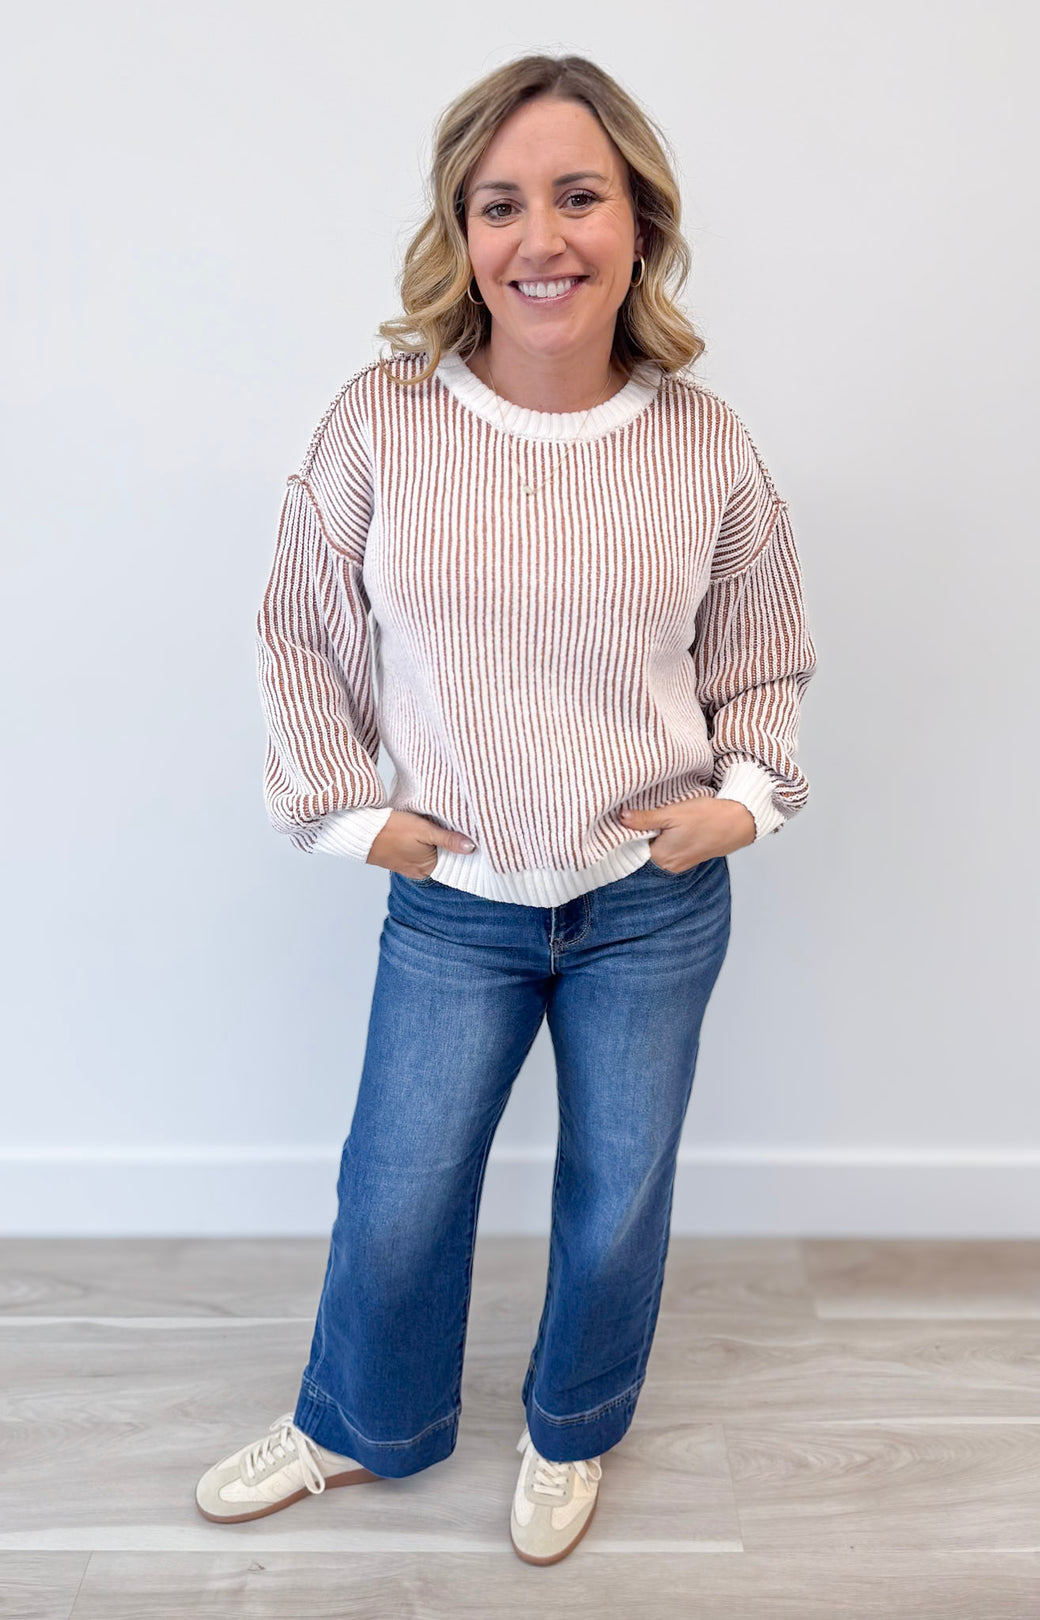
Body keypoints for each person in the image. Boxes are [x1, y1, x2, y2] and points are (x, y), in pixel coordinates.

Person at [195, 53, 817, 1566]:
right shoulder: (384, 420)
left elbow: (763, 652)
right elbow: (301, 631)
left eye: (578, 196)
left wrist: (740, 803)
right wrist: (351, 815)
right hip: (457, 906)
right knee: (398, 1188)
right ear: (462, 234)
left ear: (639, 222)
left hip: (652, 903)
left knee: (616, 1195)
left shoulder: (706, 443)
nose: (542, 237)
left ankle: (572, 1427)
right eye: (501, 204)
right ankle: (362, 1422)